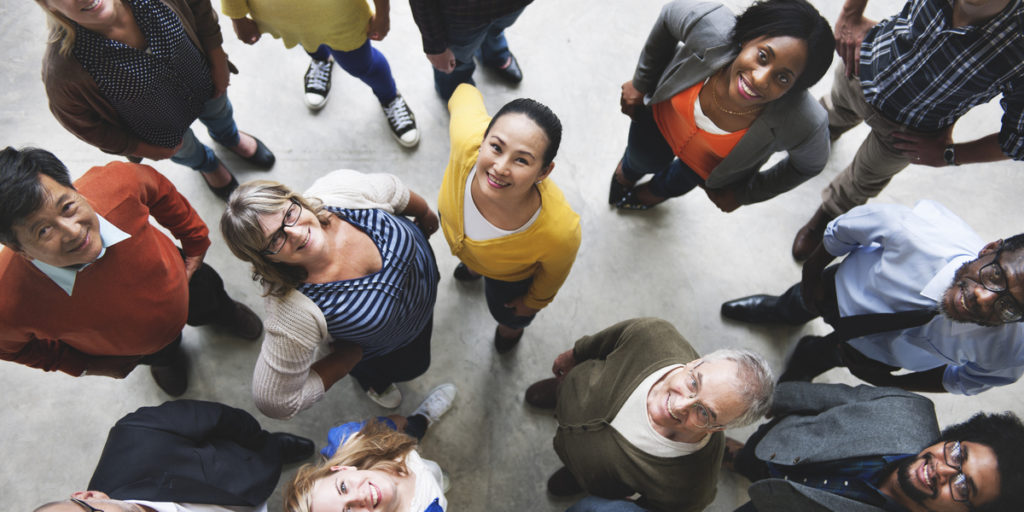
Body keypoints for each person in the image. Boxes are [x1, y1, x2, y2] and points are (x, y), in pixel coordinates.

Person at [0, 147, 261, 397]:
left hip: (185, 279)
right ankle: (166, 359)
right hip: (134, 347)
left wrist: (195, 240)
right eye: (43, 231)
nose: (74, 231)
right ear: (21, 249)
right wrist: (86, 366)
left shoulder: (115, 183)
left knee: (211, 301)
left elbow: (159, 189)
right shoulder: (7, 301)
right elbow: (12, 349)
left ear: (74, 191)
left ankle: (224, 314)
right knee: (160, 353)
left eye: (67, 207)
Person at [790, 0, 1024, 260]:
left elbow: (1018, 139)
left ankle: (827, 214)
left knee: (863, 179)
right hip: (864, 66)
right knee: (831, 114)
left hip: (911, 131)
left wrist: (950, 155)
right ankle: (816, 142)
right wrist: (850, 14)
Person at [721, 200, 1024, 395]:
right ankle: (781, 310)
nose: (984, 299)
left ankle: (808, 360)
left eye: (1009, 307)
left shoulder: (1012, 352)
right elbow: (844, 231)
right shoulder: (916, 232)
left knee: (828, 356)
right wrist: (811, 274)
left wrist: (892, 383)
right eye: (996, 275)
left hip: (878, 356)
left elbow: (962, 380)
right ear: (988, 249)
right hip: (839, 292)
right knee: (798, 302)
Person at [221, 170, 441, 417]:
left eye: (289, 215)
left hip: (425, 299)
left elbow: (394, 190)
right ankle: (374, 384)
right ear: (264, 259)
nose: (295, 233)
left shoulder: (340, 192)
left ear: (295, 200)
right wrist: (346, 360)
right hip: (394, 347)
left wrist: (424, 213)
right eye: (275, 241)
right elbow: (276, 401)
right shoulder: (291, 308)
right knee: (410, 367)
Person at [524, 317, 774, 512]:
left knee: (586, 472)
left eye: (704, 413)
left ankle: (576, 475)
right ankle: (560, 393)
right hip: (573, 389)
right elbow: (605, 342)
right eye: (693, 383)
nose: (678, 406)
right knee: (565, 391)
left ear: (719, 428)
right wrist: (573, 357)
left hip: (590, 476)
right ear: (697, 361)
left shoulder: (693, 483)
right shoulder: (655, 336)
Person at [37, 0, 275, 200]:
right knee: (186, 150)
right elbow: (86, 127)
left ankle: (228, 137)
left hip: (204, 82)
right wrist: (141, 148)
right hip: (162, 129)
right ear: (48, 5)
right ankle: (206, 164)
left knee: (221, 114)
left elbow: (198, 7)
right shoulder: (64, 73)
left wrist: (217, 57)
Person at [609, 0, 834, 211]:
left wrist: (745, 195)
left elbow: (810, 165)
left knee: (677, 182)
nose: (760, 79)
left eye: (783, 78)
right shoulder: (709, 26)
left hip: (706, 169)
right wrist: (642, 82)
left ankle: (656, 191)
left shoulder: (804, 122)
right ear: (749, 37)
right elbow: (670, 15)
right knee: (641, 158)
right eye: (763, 56)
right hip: (658, 121)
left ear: (796, 87)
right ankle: (628, 173)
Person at [726, 382, 1024, 512]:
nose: (943, 468)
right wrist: (770, 399)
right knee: (751, 456)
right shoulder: (910, 409)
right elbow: (830, 398)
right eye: (959, 453)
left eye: (962, 486)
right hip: (781, 442)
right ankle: (740, 460)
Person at [438, 84, 581, 353]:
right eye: (496, 147)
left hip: (508, 280)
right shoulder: (465, 138)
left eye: (522, 161)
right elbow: (463, 92)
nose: (500, 168)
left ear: (544, 171)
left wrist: (532, 303)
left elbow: (553, 275)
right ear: (483, 138)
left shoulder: (560, 231)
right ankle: (472, 268)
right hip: (465, 245)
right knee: (472, 258)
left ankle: (510, 330)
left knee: (509, 314)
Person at [33, 400, 314, 512]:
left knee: (266, 451)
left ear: (90, 497)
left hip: (249, 476)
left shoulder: (139, 433)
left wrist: (260, 443)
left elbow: (223, 419)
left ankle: (274, 449)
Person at [222, 0, 420, 147]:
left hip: (341, 16)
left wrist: (383, 13)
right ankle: (321, 59)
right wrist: (236, 16)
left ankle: (390, 97)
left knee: (361, 65)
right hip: (281, 16)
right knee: (307, 40)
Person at [283, 383, 457, 512]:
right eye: (348, 511)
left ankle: (423, 417)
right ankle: (437, 484)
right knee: (435, 478)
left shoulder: (354, 438)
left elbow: (389, 424)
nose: (360, 496)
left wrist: (399, 423)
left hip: (402, 447)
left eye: (343, 487)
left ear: (341, 468)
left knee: (412, 433)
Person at [409, 0, 533, 100]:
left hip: (513, 4)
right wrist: (435, 45)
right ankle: (455, 89)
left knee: (496, 29)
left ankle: (493, 52)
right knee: (457, 61)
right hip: (462, 14)